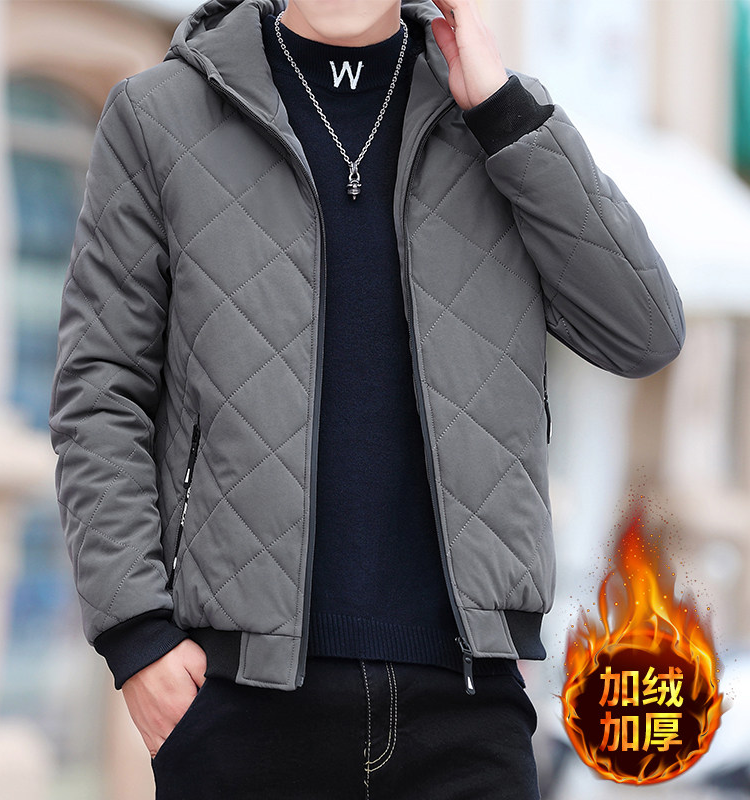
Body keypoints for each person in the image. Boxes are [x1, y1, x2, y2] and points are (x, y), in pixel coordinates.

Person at [49, 0, 685, 796]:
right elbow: (100, 392)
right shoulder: (159, 115)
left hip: (469, 708)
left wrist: (504, 115)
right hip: (239, 704)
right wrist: (138, 636)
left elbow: (643, 332)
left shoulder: (492, 118)